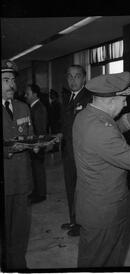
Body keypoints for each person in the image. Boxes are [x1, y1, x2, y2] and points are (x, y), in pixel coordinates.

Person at [73, 72, 130, 267]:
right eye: (123, 100)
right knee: (98, 263)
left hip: (93, 206)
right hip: (104, 214)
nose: (125, 104)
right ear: (109, 100)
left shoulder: (86, 116)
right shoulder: (99, 129)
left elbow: (114, 127)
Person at [2, 59, 34, 270]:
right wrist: (9, 150)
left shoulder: (23, 106)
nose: (11, 84)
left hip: (22, 179)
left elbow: (29, 136)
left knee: (21, 228)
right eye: (5, 80)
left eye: (12, 80)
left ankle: (18, 265)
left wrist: (38, 145)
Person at [60, 64, 92, 237]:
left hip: (81, 154)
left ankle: (82, 224)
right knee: (70, 187)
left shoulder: (89, 98)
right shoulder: (67, 98)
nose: (73, 80)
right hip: (67, 152)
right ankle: (73, 220)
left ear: (84, 78)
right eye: (70, 77)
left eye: (77, 76)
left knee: (81, 190)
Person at [25, 83, 48, 204]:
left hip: (37, 145)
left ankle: (41, 194)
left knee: (38, 169)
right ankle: (36, 191)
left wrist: (37, 145)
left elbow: (40, 129)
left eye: (27, 93)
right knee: (35, 169)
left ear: (34, 94)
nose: (25, 95)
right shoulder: (34, 107)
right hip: (34, 145)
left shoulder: (39, 108)